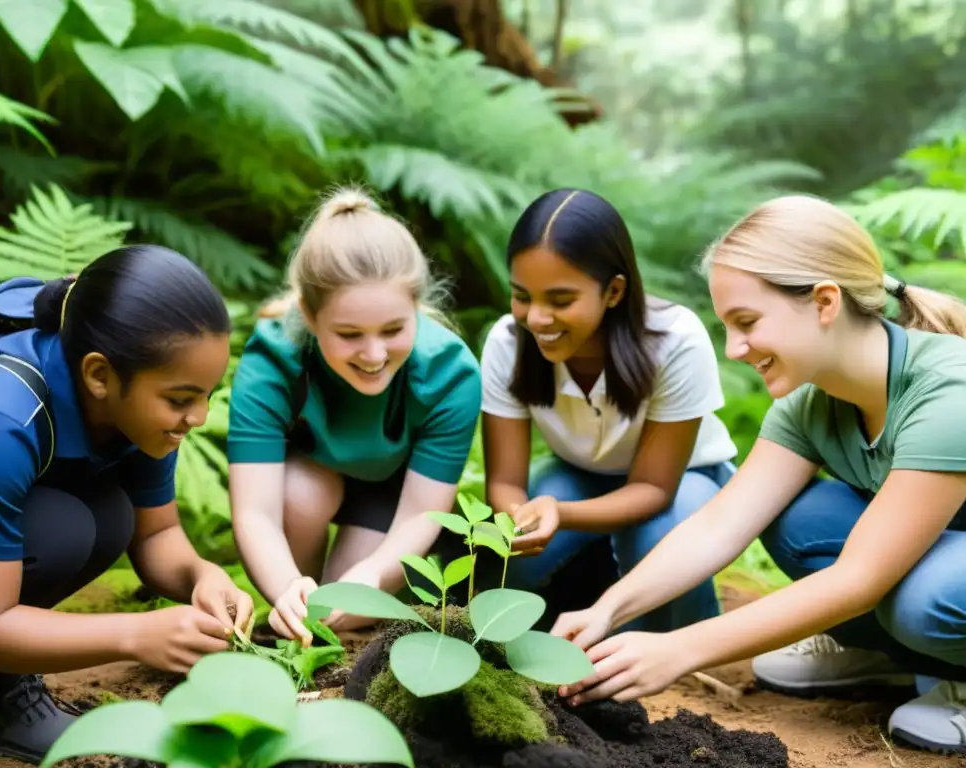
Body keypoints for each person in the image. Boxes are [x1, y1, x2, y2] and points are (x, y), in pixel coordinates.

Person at [551, 194, 966, 756]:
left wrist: (679, 649)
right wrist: (610, 608)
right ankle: (894, 660)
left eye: (746, 322)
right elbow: (721, 524)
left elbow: (858, 580)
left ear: (824, 302)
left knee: (924, 600)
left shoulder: (947, 391)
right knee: (798, 521)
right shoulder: (810, 404)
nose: (735, 348)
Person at [0, 245, 255, 764]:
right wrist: (137, 634)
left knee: (109, 517)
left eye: (206, 395)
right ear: (99, 375)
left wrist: (202, 578)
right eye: (181, 399)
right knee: (62, 529)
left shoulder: (134, 412)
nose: (198, 417)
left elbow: (155, 536)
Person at [226, 187, 482, 646]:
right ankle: (291, 618)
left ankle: (323, 613)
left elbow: (423, 510)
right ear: (308, 311)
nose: (374, 354)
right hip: (309, 479)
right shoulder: (273, 357)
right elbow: (255, 512)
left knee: (349, 610)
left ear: (416, 308)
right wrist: (286, 587)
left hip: (394, 491)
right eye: (348, 334)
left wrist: (374, 576)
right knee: (300, 505)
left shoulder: (450, 374)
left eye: (393, 329)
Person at [479, 188, 738, 632]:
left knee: (663, 544)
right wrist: (521, 519)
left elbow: (654, 488)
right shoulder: (508, 342)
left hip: (682, 482)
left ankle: (689, 643)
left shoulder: (674, 341)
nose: (537, 318)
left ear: (614, 290)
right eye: (522, 295)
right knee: (505, 568)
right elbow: (504, 481)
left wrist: (562, 513)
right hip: (577, 476)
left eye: (560, 301)